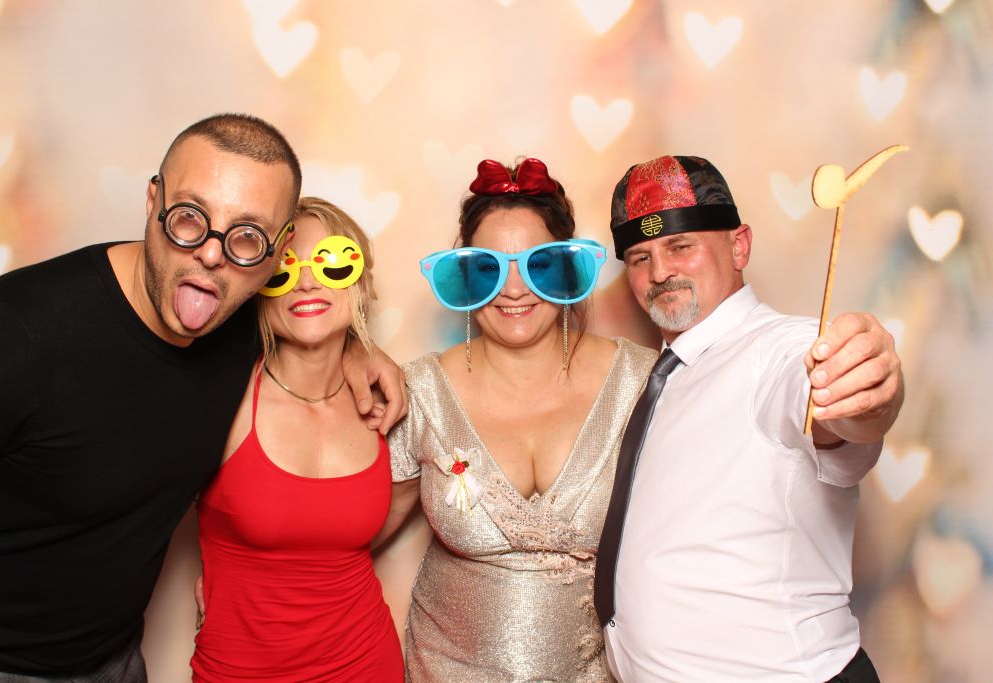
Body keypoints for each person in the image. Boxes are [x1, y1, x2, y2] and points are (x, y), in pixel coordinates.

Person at [0, 114, 405, 681]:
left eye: (246, 236)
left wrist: (361, 351)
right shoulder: (11, 331)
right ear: (153, 202)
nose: (212, 254)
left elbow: (311, 324)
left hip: (119, 660)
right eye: (190, 218)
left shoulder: (233, 326)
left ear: (273, 254)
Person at [596, 155, 904, 682]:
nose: (660, 273)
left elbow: (831, 408)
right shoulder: (668, 371)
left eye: (680, 246)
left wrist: (866, 394)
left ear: (739, 246)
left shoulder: (780, 350)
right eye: (640, 257)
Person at [385, 158, 658, 682]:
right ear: (465, 275)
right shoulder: (418, 392)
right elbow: (352, 531)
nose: (514, 289)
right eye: (489, 267)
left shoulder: (642, 382)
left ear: (568, 269)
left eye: (539, 264)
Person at [190, 197, 403, 682]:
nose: (307, 281)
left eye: (332, 263)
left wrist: (363, 350)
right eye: (284, 270)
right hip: (239, 673)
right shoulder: (222, 399)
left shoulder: (386, 401)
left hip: (367, 664)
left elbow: (408, 497)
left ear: (360, 284)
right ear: (257, 291)